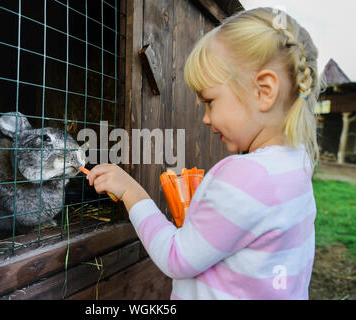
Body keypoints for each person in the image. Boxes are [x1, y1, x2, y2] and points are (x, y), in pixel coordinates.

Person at [85, 7, 326, 299]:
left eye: (210, 101)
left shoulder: (243, 174)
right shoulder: (296, 163)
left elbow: (176, 257)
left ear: (264, 91)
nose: (206, 118)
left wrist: (130, 191)